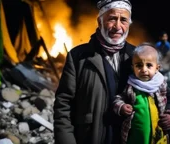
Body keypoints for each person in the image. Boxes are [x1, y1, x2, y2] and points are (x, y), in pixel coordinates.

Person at [53, 0, 135, 144]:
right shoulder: (78, 56)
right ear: (100, 21)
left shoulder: (138, 56)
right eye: (112, 19)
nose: (117, 26)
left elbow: (166, 92)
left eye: (123, 20)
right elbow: (63, 105)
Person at [113, 43, 170, 144]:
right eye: (139, 65)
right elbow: (118, 98)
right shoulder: (130, 86)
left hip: (159, 137)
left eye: (149, 65)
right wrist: (121, 107)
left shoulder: (161, 85)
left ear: (157, 68)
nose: (144, 70)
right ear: (133, 67)